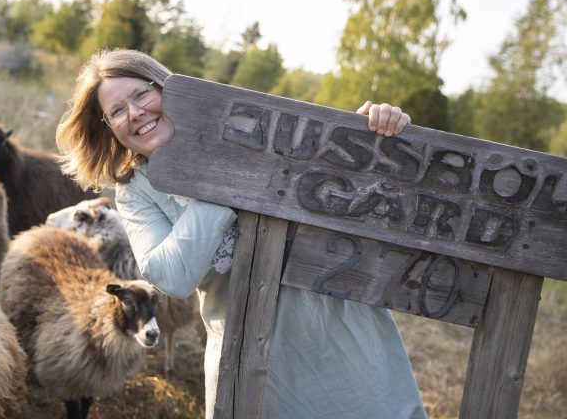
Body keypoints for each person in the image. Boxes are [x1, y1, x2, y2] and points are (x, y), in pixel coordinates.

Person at [57, 48, 427, 419]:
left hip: (344, 341)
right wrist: (223, 181)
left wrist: (373, 138)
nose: (134, 113)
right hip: (253, 358)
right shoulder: (135, 190)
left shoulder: (251, 131)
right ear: (107, 127)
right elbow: (171, 276)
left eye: (141, 94)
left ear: (170, 89)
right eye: (117, 111)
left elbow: (371, 195)